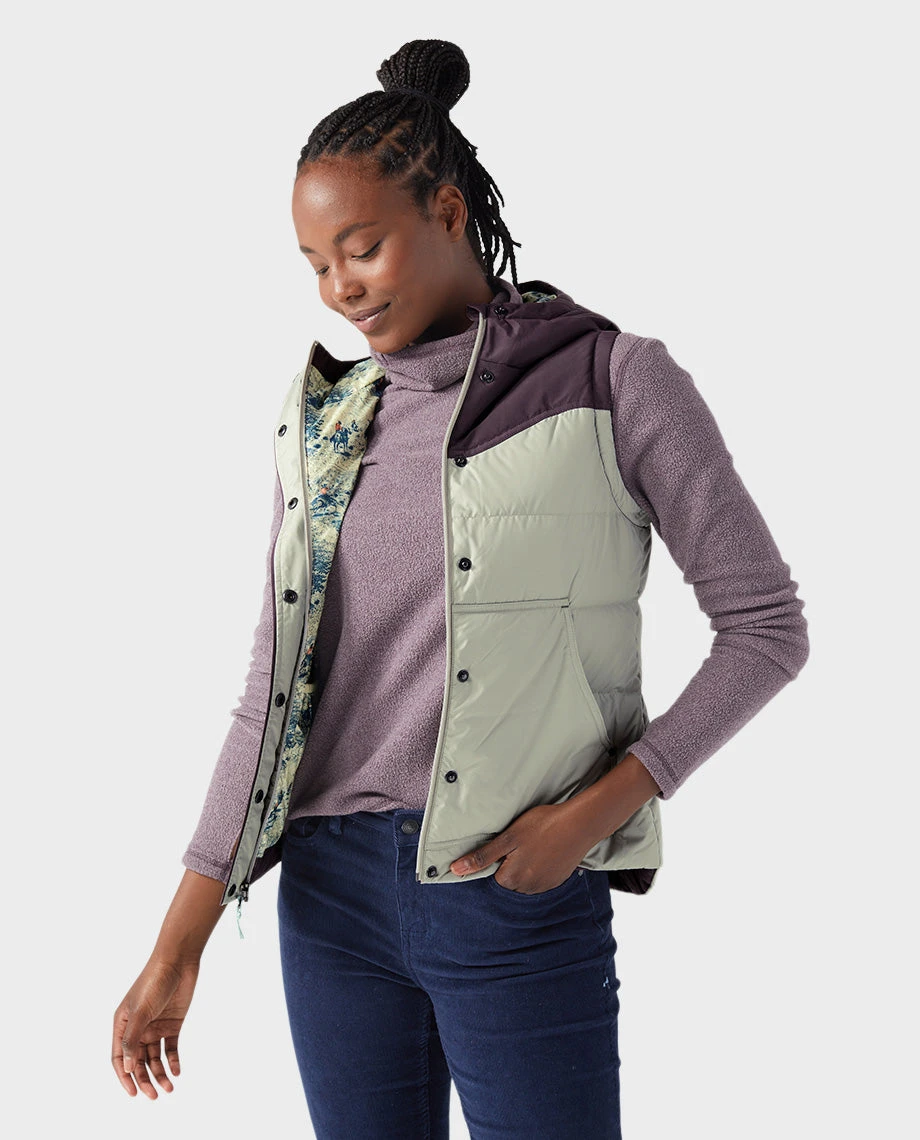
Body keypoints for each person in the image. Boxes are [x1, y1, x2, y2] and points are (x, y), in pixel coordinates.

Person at [111, 37, 810, 1140]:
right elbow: (271, 697)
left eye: (362, 248)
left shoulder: (612, 380)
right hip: (330, 902)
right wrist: (176, 945)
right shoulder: (324, 425)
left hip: (511, 891)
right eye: (314, 263)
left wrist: (590, 818)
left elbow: (763, 629)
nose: (340, 287)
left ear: (447, 212)